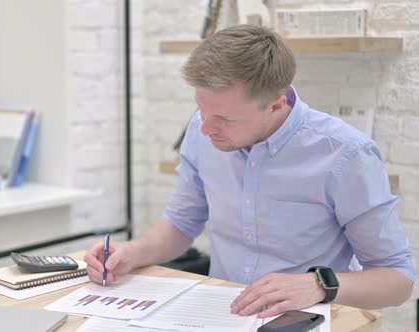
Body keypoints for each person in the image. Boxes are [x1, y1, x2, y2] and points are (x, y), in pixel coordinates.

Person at [84, 25, 414, 318]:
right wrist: (132, 252)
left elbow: (397, 280)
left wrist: (317, 285)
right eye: (201, 108)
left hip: (304, 321)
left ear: (276, 103)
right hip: (218, 315)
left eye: (225, 119)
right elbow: (182, 223)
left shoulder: (346, 156)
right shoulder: (205, 131)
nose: (205, 129)